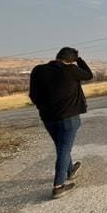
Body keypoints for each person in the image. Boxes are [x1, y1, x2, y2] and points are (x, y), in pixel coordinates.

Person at [29, 47, 93, 199]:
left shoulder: (38, 70)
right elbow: (89, 75)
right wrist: (79, 60)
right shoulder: (70, 69)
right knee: (64, 148)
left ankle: (70, 170)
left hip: (47, 118)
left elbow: (33, 94)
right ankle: (58, 186)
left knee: (61, 146)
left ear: (57, 56)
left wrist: (42, 107)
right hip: (68, 117)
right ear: (71, 60)